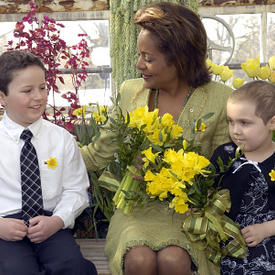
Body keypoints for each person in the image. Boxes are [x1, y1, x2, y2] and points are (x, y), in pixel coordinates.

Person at [80, 2, 232, 274]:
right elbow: (97, 154)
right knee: (140, 260)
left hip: (189, 212)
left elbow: (227, 169)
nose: (139, 64)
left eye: (148, 58)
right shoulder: (130, 93)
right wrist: (45, 153)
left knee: (174, 261)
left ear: (180, 58)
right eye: (140, 55)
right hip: (136, 211)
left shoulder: (221, 99)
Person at [0, 50, 97, 275]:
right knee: (16, 270)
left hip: (50, 224)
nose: (39, 97)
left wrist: (57, 220)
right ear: (2, 97)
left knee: (73, 267)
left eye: (42, 88)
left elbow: (76, 190)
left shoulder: (61, 139)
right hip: (5, 228)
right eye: (27, 91)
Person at [211, 80, 275, 274]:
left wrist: (266, 229)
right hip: (230, 238)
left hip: (268, 236)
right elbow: (206, 188)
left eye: (244, 123)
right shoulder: (225, 154)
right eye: (231, 121)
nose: (236, 130)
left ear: (272, 122)